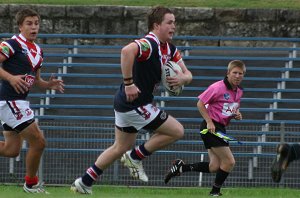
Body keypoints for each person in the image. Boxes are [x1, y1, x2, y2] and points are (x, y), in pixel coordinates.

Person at [71, 6, 192, 194]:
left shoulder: (169, 48)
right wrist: (128, 83)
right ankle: (135, 157)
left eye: (174, 22)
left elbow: (188, 74)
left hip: (126, 103)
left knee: (120, 146)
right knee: (177, 131)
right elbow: (126, 52)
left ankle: (85, 182)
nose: (173, 26)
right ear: (156, 25)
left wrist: (183, 78)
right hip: (135, 104)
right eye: (169, 22)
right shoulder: (149, 44)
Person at [0, 8, 64, 193]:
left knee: (11, 150)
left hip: (19, 102)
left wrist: (48, 85)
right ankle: (31, 183)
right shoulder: (12, 44)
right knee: (39, 141)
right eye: (29, 23)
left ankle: (31, 184)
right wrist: (10, 78)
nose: (34, 27)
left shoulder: (38, 50)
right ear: (20, 26)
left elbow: (35, 81)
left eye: (36, 23)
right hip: (10, 101)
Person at [164, 60, 246, 197]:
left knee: (214, 167)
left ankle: (181, 167)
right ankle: (215, 192)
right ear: (228, 73)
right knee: (229, 161)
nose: (237, 76)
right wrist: (209, 122)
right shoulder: (218, 87)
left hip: (220, 128)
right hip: (211, 127)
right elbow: (200, 104)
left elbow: (229, 109)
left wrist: (236, 114)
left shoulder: (239, 92)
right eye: (235, 73)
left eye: (241, 73)